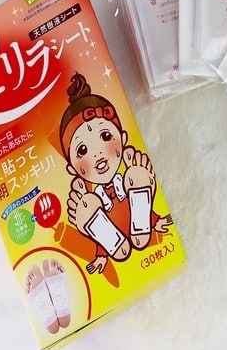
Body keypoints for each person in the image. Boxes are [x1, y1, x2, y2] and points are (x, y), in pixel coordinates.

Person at [59, 72, 172, 275]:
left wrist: (157, 221)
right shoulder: (97, 197)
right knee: (92, 206)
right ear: (72, 169)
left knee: (132, 180)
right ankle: (111, 238)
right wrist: (101, 256)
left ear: (123, 138)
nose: (98, 154)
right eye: (82, 150)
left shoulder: (122, 181)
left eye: (105, 136)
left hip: (134, 212)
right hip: (109, 223)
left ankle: (139, 220)